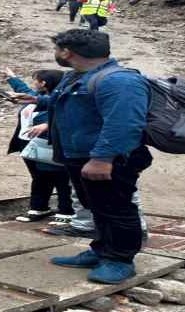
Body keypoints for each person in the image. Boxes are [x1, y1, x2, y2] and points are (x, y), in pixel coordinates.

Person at [35, 29, 152, 284]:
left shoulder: (119, 81)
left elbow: (124, 123)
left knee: (117, 208)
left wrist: (103, 158)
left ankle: (121, 260)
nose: (56, 54)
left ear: (67, 52)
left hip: (109, 160)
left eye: (57, 49)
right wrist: (35, 100)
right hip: (80, 156)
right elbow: (69, 103)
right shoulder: (78, 76)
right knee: (97, 207)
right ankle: (101, 250)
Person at [5, 68, 74, 222]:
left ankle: (67, 211)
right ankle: (39, 208)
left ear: (43, 83)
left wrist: (47, 125)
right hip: (29, 144)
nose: (33, 82)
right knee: (39, 177)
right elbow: (25, 92)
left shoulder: (61, 101)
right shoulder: (40, 97)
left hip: (49, 145)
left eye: (35, 79)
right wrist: (12, 79)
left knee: (61, 178)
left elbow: (66, 117)